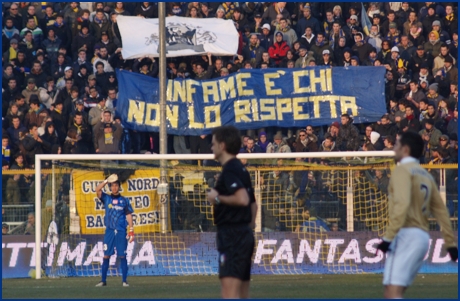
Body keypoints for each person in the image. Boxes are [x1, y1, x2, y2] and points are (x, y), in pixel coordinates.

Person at [376, 131, 458, 299]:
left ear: (405, 149)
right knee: (397, 292)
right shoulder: (426, 175)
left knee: (391, 293)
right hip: (422, 239)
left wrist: (387, 239)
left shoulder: (401, 172)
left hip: (404, 235)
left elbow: (402, 205)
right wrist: (450, 244)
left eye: (397, 146)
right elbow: (442, 212)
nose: (395, 150)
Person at [206, 126, 257, 299]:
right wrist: (246, 228)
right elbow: (253, 205)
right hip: (243, 234)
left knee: (229, 294)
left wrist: (217, 198)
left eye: (213, 144)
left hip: (231, 235)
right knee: (242, 294)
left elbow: (242, 199)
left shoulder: (230, 170)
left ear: (222, 145)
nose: (211, 148)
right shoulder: (242, 169)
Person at [95, 174, 134, 287]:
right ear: (110, 187)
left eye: (116, 185)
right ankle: (103, 281)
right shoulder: (106, 198)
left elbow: (128, 215)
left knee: (122, 255)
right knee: (106, 255)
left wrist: (131, 229)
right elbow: (97, 189)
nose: (114, 188)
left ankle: (124, 281)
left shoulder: (124, 200)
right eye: (112, 186)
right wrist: (107, 180)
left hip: (121, 231)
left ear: (119, 187)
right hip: (110, 231)